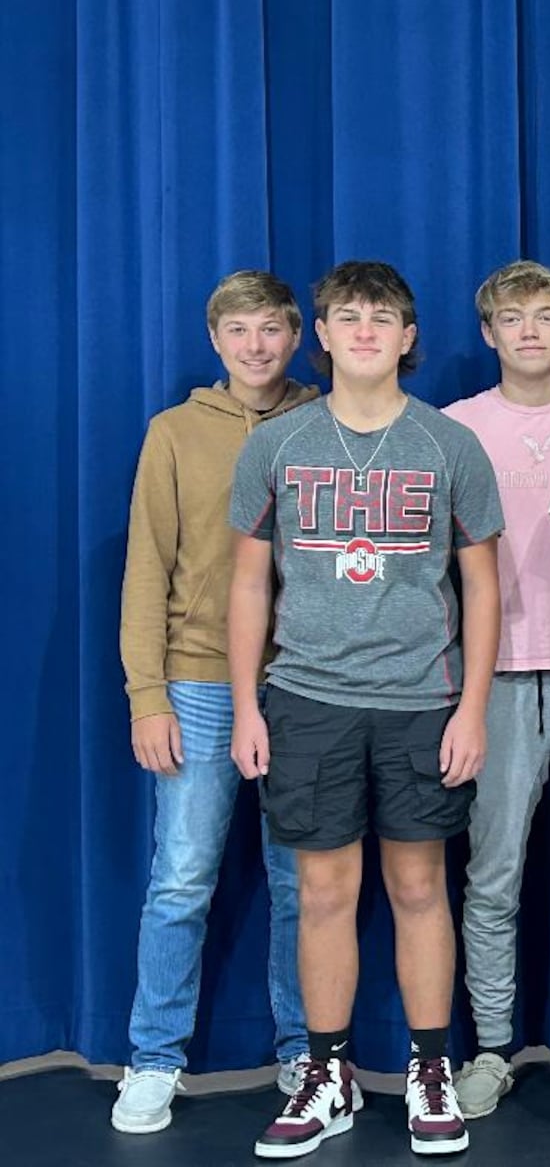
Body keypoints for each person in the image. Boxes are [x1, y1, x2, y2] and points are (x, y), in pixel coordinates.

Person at [229, 261, 503, 1159]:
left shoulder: (448, 444)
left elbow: (483, 586)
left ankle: (430, 1069)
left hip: (422, 700)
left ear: (409, 336)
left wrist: (472, 710)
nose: (365, 331)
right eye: (346, 316)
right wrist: (246, 706)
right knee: (321, 892)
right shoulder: (279, 443)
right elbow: (247, 583)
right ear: (321, 334)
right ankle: (329, 1073)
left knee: (421, 888)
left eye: (382, 317)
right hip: (307, 697)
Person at [112, 271, 317, 1135]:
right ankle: (154, 1058)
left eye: (271, 329)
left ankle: (305, 1049)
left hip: (305, 680)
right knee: (182, 877)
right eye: (239, 331)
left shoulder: (326, 420)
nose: (256, 347)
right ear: (216, 341)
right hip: (195, 681)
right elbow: (146, 569)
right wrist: (146, 696)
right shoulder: (174, 434)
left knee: (301, 881)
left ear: (296, 335)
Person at [444, 261, 550, 1117]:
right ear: (489, 333)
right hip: (496, 677)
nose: (531, 332)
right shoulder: (454, 428)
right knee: (494, 871)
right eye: (514, 319)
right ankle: (491, 1047)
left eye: (548, 315)